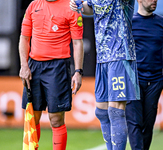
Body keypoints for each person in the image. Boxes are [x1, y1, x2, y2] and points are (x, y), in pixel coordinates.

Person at [70, 0, 140, 149]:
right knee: (101, 111)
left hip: (120, 55)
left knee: (115, 111)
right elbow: (91, 9)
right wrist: (79, 6)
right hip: (102, 57)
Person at [19, 0, 84, 150]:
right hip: (34, 66)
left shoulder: (71, 7)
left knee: (56, 119)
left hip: (58, 67)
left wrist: (78, 71)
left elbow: (77, 42)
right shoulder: (33, 6)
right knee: (32, 117)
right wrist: (24, 65)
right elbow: (24, 38)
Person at [125, 0, 163, 150]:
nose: (154, 0)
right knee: (134, 124)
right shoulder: (129, 22)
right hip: (133, 80)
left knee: (148, 126)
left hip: (155, 82)